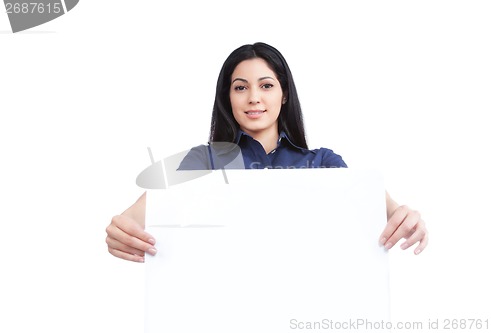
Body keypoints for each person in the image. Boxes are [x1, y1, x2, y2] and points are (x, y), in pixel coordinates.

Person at [105, 42, 429, 263]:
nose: (253, 98)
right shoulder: (202, 161)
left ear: (284, 94)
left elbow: (384, 211)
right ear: (228, 98)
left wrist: (407, 219)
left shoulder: (322, 163)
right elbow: (131, 219)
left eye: (266, 85)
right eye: (241, 87)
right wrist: (119, 231)